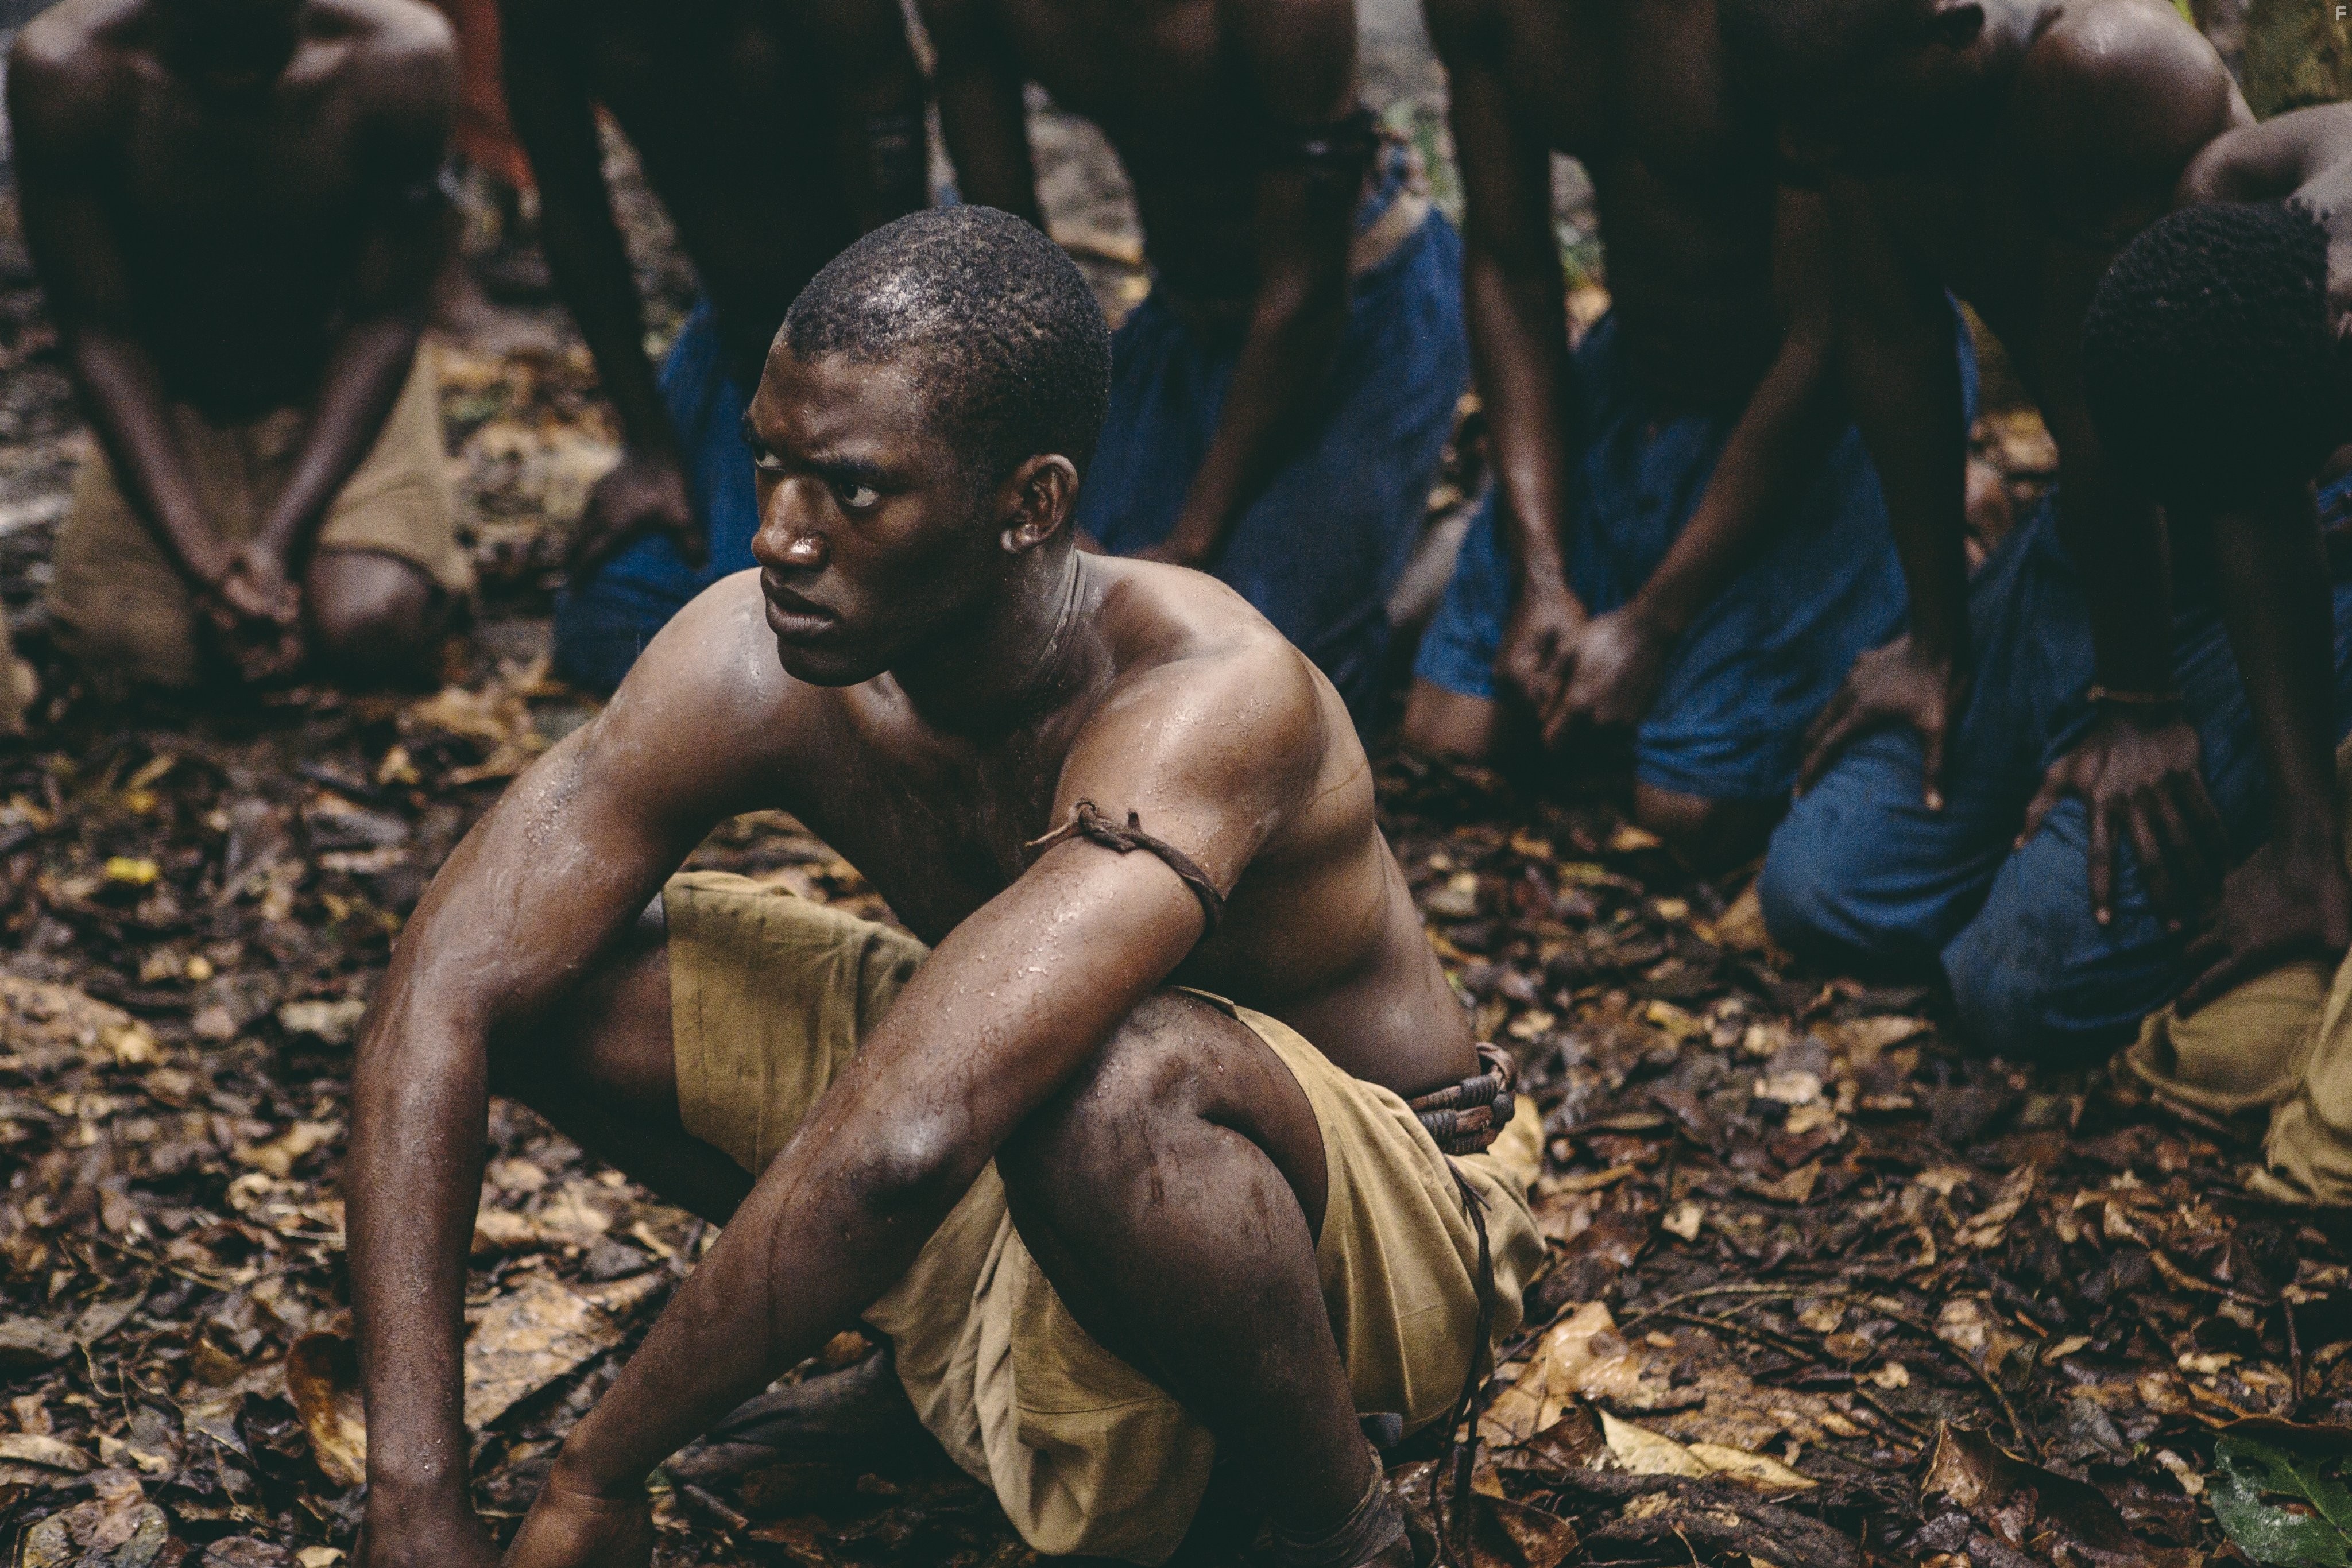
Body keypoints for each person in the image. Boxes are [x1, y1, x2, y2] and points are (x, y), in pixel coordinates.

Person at [347, 208, 1543, 1568]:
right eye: (769, 463)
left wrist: (596, 1476)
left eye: (852, 491)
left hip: (1372, 1232)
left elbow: (914, 1132)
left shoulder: (1205, 696)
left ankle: (1339, 1519)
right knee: (554, 982)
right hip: (1028, 1149)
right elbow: (436, 995)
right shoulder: (747, 656)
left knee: (1112, 1081)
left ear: (1028, 505)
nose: (779, 535)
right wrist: (415, 1499)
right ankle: (945, 1356)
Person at [1724, 0, 2282, 1060]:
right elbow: (1895, 341)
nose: (1802, 149)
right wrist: (1936, 638)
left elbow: (2107, 408)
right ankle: (2050, 835)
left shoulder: (2105, 73)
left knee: (2022, 993)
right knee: (1821, 890)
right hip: (2092, 537)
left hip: (2271, 554)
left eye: (1827, 116)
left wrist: (2138, 706)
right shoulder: (1869, 112)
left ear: (1951, 26)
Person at [1402, 0, 1963, 869]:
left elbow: (1821, 336)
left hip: (1837, 391)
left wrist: (1656, 621)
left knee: (1684, 812)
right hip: (1642, 371)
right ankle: (1530, 537)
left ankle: (1937, 554)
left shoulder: (1775, 22)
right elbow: (1510, 264)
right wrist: (1542, 573)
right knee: (1452, 737)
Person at [918, 0, 1469, 723]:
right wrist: (1043, 446)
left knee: (1254, 691)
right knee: (1043, 618)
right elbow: (1007, 250)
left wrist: (1189, 541)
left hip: (1359, 309)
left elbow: (1306, 298)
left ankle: (1450, 553)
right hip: (1185, 318)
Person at [9, 0, 473, 694]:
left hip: (339, 382)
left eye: (259, 35)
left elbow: (382, 317)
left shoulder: (397, 61)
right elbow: (101, 333)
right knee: (130, 652)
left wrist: (274, 546)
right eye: (207, 35)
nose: (234, 71)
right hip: (173, 399)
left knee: (368, 622)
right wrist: (204, 565)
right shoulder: (70, 72)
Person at [2083, 112, 2352, 1201]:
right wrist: (2308, 838)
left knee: (2327, 1158)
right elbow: (2255, 495)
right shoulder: (2238, 187)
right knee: (2214, 1051)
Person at [508, 0, 929, 692]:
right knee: (616, 626)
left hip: (888, 328)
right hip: (739, 335)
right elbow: (570, 204)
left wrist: (877, 432)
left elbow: (900, 223)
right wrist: (648, 449)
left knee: (815, 645)